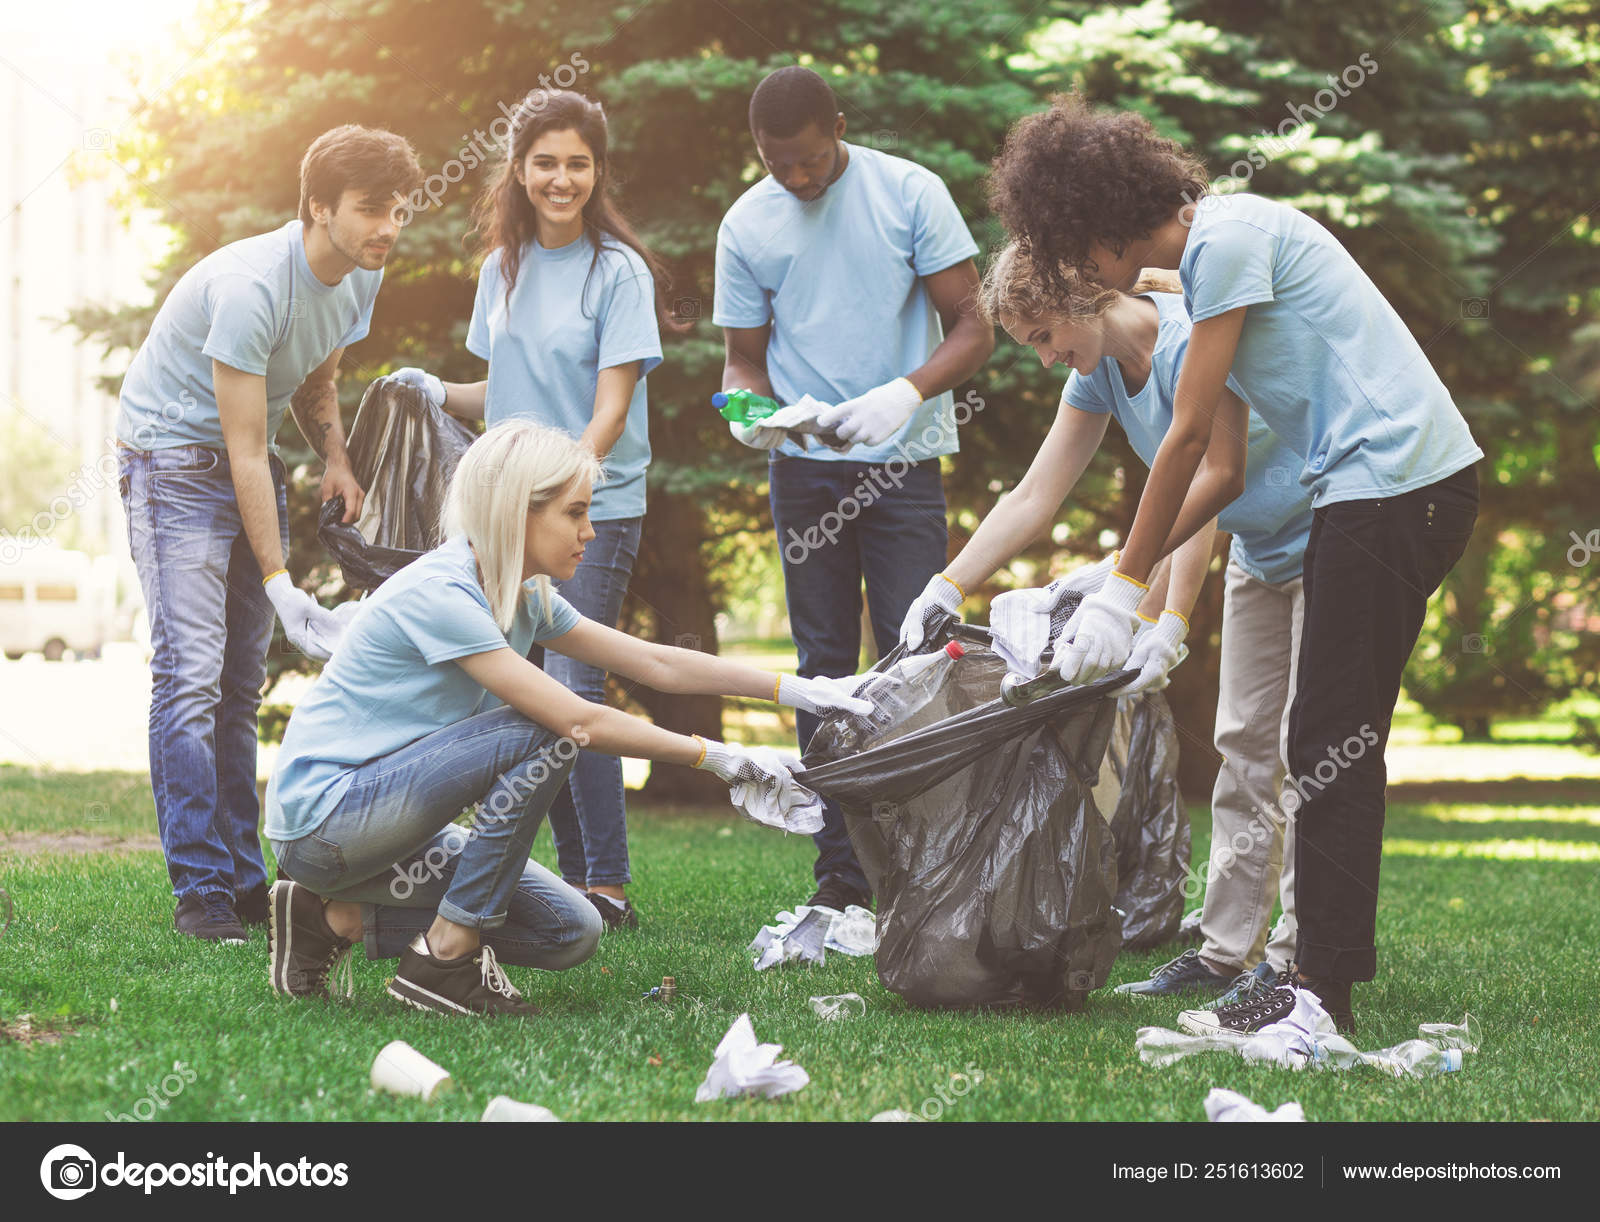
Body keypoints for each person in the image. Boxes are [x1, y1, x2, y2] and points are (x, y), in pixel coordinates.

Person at [987, 95, 1482, 1031]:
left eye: (1072, 249)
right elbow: (1218, 469)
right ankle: (1305, 981)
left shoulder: (1227, 240)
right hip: (1370, 490)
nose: (1082, 274)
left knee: (1330, 738)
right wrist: (1116, 577)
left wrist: (1128, 589)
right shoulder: (1202, 265)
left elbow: (1186, 441)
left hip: (1396, 484)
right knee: (1319, 737)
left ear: (1099, 225)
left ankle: (1315, 992)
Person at [264, 420, 872, 1016]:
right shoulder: (442, 593)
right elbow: (581, 722)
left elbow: (657, 663)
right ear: (516, 514)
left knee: (571, 930)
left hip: (396, 828)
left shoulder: (525, 595)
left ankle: (328, 919)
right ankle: (445, 958)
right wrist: (722, 759)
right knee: (545, 731)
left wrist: (804, 691)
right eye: (575, 513)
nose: (590, 530)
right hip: (326, 823)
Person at [904, 242, 1314, 1005]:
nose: (1046, 357)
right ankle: (1226, 954)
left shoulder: (1194, 337)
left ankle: (1296, 959)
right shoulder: (1096, 376)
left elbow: (1205, 475)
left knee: (1307, 747)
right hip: (1261, 549)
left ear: (1081, 297)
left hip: (1330, 534)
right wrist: (948, 581)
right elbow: (1035, 496)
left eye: (1043, 335)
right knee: (1244, 747)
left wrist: (1167, 616)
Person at [116, 126, 422, 944]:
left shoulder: (362, 273)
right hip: (172, 464)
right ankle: (202, 889)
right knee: (190, 677)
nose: (388, 226)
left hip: (242, 462)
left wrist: (337, 457)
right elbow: (245, 448)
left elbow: (318, 370)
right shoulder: (252, 285)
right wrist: (282, 581)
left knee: (240, 686)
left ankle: (248, 881)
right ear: (318, 206)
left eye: (398, 209)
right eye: (369, 209)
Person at [394, 90, 680, 932]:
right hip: (509, 513)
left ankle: (610, 884)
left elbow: (610, 409)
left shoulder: (618, 272)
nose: (562, 179)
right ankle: (582, 877)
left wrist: (565, 490)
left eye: (578, 163)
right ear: (520, 170)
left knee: (573, 680)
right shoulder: (502, 269)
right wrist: (433, 388)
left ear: (597, 171)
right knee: (529, 693)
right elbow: (502, 393)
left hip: (593, 505)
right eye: (546, 163)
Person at [714, 66, 995, 913]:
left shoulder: (910, 193)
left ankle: (924, 868)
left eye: (807, 159)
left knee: (912, 663)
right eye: (777, 164)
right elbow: (742, 361)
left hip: (903, 464)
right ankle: (841, 882)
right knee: (823, 669)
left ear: (838, 126)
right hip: (803, 472)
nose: (795, 179)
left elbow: (975, 326)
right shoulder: (746, 223)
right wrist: (753, 415)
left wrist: (904, 392)